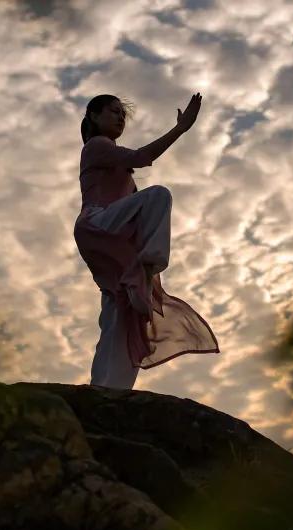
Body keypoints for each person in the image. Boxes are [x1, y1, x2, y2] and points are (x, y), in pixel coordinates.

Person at [74, 93, 219, 389]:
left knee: (122, 313)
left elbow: (136, 207)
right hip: (97, 223)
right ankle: (150, 263)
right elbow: (142, 157)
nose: (119, 117)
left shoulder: (121, 171)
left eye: (122, 114)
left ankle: (107, 388)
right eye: (113, 111)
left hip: (109, 240)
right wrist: (180, 129)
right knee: (158, 195)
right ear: (93, 116)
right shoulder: (97, 146)